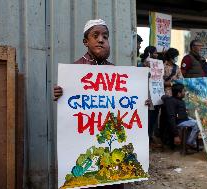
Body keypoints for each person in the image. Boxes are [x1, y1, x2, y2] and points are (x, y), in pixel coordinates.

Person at [54, 19, 150, 189]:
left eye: (105, 36)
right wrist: (60, 94)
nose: (101, 40)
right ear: (86, 42)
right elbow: (70, 107)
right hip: (84, 143)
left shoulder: (115, 72)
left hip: (109, 144)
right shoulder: (74, 71)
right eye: (95, 35)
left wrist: (142, 102)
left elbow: (125, 103)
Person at [161, 84, 199, 149]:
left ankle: (193, 143)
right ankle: (189, 143)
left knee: (196, 120)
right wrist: (176, 135)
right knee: (197, 124)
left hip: (184, 119)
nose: (185, 92)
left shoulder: (180, 100)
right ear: (179, 93)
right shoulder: (171, 102)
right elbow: (171, 118)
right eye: (183, 91)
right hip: (179, 122)